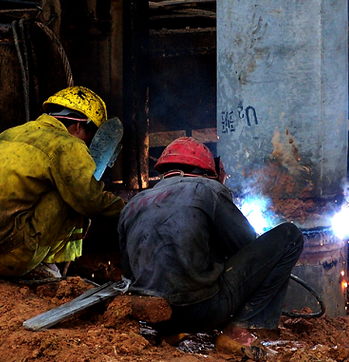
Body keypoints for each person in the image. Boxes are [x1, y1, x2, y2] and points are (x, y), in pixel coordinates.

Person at [118, 137, 303, 360]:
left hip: (155, 317)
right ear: (207, 171)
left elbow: (128, 273)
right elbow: (244, 246)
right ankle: (238, 331)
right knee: (290, 236)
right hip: (201, 311)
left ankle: (170, 333)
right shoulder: (208, 189)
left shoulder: (132, 204)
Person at [0, 86, 125, 280]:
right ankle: (48, 263)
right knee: (70, 193)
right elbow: (90, 201)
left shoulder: (12, 133)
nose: (86, 145)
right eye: (89, 137)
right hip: (12, 256)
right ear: (78, 126)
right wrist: (131, 209)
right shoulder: (68, 145)